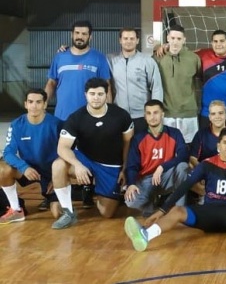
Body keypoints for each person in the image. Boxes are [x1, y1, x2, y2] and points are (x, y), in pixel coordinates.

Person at [45, 20, 112, 209]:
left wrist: (109, 113)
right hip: (62, 118)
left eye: (84, 34)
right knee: (60, 158)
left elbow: (106, 88)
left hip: (89, 120)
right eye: (77, 33)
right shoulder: (60, 57)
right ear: (72, 35)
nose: (80, 37)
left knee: (89, 155)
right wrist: (42, 103)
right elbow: (51, 83)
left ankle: (88, 191)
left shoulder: (98, 58)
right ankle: (52, 193)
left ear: (90, 36)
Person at [51, 78, 134, 229]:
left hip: (110, 165)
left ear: (106, 94)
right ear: (86, 95)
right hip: (85, 160)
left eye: (100, 94)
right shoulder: (76, 117)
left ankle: (97, 189)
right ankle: (68, 212)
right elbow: (62, 148)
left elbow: (128, 143)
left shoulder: (121, 115)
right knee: (58, 165)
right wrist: (77, 165)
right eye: (92, 94)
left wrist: (125, 168)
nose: (96, 97)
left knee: (107, 213)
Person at [0, 89, 62, 223]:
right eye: (31, 102)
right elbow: (8, 152)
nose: (34, 106)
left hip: (51, 173)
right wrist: (24, 167)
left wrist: (58, 177)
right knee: (3, 169)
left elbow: (69, 152)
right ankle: (16, 210)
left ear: (45, 104)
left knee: (58, 214)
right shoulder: (17, 124)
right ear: (25, 104)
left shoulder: (57, 124)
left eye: (39, 102)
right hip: (29, 170)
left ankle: (66, 195)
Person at [124, 100, 189, 216]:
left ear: (162, 114)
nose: (152, 117)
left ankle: (179, 210)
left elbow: (184, 155)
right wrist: (131, 184)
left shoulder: (174, 133)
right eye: (148, 113)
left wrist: (162, 167)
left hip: (167, 176)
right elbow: (132, 166)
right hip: (146, 180)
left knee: (183, 167)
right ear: (145, 116)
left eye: (155, 113)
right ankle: (152, 209)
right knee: (130, 200)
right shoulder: (138, 138)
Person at [108, 27, 163, 133]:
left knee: (142, 148)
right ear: (120, 40)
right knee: (122, 148)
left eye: (132, 39)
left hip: (141, 117)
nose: (128, 41)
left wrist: (155, 113)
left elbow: (156, 88)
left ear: (137, 40)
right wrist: (66, 48)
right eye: (125, 38)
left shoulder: (147, 61)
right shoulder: (111, 61)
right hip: (119, 115)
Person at [154, 24, 201, 143]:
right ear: (168, 38)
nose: (175, 42)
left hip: (189, 112)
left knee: (189, 148)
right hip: (167, 113)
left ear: (184, 40)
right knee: (168, 148)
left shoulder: (194, 59)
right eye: (173, 38)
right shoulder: (158, 57)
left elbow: (200, 80)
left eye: (179, 39)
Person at [197, 30, 226, 130]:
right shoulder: (203, 55)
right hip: (208, 113)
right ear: (212, 43)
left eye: (222, 41)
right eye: (215, 41)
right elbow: (183, 52)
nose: (218, 44)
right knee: (207, 145)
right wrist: (163, 47)